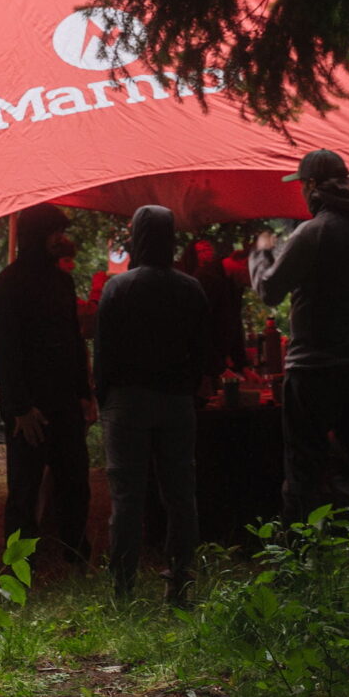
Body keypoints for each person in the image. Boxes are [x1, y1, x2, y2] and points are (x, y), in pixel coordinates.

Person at [252, 148, 349, 521]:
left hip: (314, 368)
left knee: (304, 465)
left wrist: (261, 253)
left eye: (301, 186)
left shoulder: (313, 232)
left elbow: (270, 291)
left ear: (311, 186)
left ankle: (298, 555)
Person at [94, 205, 211, 603]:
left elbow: (104, 351)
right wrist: (190, 388)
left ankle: (122, 588)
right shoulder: (190, 288)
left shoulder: (119, 288)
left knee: (127, 498)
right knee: (180, 495)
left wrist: (102, 397)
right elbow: (202, 351)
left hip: (126, 402)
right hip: (177, 402)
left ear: (137, 237)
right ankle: (179, 582)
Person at [0, 203, 93, 563]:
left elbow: (74, 341)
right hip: (29, 407)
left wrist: (83, 394)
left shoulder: (62, 280)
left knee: (75, 483)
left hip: (65, 402)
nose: (61, 240)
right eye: (55, 233)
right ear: (39, 236)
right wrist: (19, 407)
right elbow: (4, 349)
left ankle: (75, 554)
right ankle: (18, 566)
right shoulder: (9, 284)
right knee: (25, 489)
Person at [184, 236, 253, 376]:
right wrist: (220, 369)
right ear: (245, 263)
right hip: (198, 369)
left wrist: (243, 366)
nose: (252, 283)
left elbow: (234, 324)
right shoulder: (207, 279)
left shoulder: (234, 282)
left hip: (214, 366)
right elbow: (198, 330)